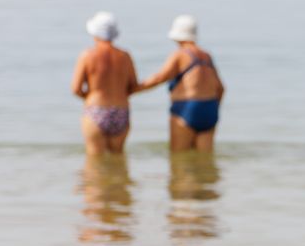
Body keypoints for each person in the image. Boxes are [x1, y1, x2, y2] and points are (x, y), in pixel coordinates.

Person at [136, 15, 224, 151]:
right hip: (210, 108)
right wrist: (213, 109)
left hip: (187, 108)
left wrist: (134, 89)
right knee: (205, 160)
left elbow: (160, 77)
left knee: (179, 159)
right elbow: (221, 88)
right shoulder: (206, 55)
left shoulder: (180, 54)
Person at [72, 11, 140, 155]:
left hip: (95, 110)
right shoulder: (125, 56)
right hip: (121, 111)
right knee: (118, 161)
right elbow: (133, 86)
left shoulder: (87, 55)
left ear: (94, 33)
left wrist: (89, 97)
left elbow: (76, 88)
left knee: (94, 164)